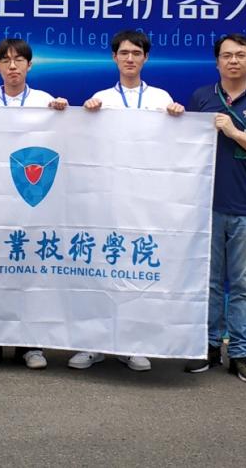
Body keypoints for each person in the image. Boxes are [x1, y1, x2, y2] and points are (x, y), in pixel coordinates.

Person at [70, 29, 184, 373]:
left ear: (145, 57)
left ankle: (133, 344)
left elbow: (173, 146)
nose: (130, 58)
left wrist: (178, 118)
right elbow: (87, 146)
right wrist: (87, 114)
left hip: (146, 202)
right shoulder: (101, 98)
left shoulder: (161, 98)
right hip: (107, 201)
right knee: (101, 272)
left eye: (136, 53)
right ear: (114, 58)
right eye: (124, 53)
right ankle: (94, 345)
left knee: (137, 272)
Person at [184, 33, 246, 383]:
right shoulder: (201, 97)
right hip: (207, 207)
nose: (233, 61)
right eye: (226, 56)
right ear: (217, 62)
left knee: (242, 284)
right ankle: (210, 346)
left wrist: (235, 132)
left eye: (240, 55)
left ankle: (240, 351)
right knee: (210, 282)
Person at [0, 38, 68, 370]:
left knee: (31, 275)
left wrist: (63, 116)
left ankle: (30, 346)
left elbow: (63, 142)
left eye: (19, 60)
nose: (12, 66)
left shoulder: (45, 101)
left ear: (29, 65)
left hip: (32, 205)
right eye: (6, 61)